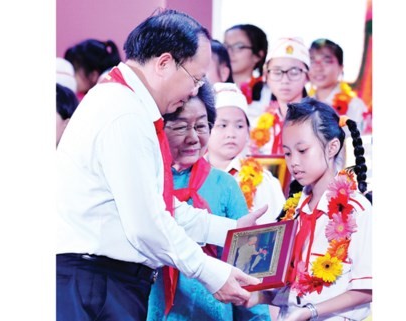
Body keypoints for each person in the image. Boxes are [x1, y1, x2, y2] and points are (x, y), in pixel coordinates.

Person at [56, 9, 268, 321]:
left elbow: (161, 208)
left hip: (99, 281)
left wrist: (229, 230)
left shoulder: (124, 104)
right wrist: (210, 272)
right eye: (195, 78)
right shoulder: (124, 114)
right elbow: (147, 225)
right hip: (94, 283)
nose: (195, 91)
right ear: (165, 63)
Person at [147, 83, 270, 321]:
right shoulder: (148, 181)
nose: (193, 137)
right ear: (160, 130)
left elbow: (247, 264)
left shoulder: (224, 185)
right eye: (182, 126)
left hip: (214, 312)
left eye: (202, 126)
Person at [246, 97, 372, 321]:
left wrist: (310, 311)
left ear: (332, 146)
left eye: (302, 150)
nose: (293, 161)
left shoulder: (358, 210)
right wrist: (260, 297)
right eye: (287, 153)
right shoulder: (292, 211)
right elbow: (294, 288)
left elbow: (367, 289)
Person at [207, 82, 285, 224]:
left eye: (239, 126)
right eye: (222, 125)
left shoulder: (264, 182)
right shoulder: (190, 175)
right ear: (205, 129)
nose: (231, 134)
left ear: (248, 133)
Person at [250, 37, 310, 155]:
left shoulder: (319, 121)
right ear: (266, 76)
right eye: (277, 72)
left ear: (307, 76)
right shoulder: (256, 124)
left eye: (294, 72)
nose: (285, 80)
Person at [307, 38, 368, 133]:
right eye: (312, 61)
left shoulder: (355, 106)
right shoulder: (304, 104)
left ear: (341, 67)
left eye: (326, 61)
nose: (318, 68)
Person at [224, 24, 272, 124]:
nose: (229, 52)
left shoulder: (269, 92)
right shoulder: (215, 89)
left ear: (258, 55)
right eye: (226, 46)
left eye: (239, 46)